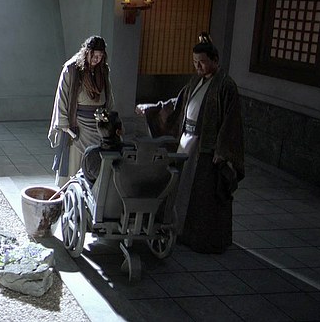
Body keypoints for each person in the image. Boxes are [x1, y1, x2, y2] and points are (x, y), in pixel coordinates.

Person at [135, 32, 244, 254]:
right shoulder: (195, 81)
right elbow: (178, 104)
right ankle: (178, 229)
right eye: (195, 62)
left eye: (202, 62)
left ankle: (202, 239)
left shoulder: (226, 86)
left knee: (202, 194)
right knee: (180, 187)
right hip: (187, 141)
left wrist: (222, 151)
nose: (198, 66)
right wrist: (152, 108)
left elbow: (231, 122)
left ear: (215, 60)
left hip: (207, 148)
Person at [49, 35, 115, 186]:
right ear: (87, 52)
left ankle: (92, 191)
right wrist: (64, 123)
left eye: (100, 56)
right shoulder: (72, 68)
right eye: (94, 55)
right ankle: (70, 191)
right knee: (74, 163)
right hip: (77, 125)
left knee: (95, 160)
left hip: (98, 123)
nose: (97, 59)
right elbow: (62, 96)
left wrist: (110, 117)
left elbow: (109, 95)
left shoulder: (103, 69)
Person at [79, 108, 133, 186]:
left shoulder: (90, 155)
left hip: (100, 192)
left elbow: (90, 181)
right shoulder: (130, 151)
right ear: (118, 132)